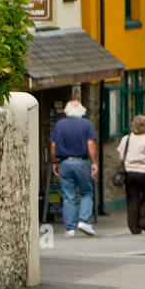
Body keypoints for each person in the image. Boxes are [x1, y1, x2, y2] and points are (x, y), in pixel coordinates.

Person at [50, 99, 99, 237]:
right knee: (86, 192)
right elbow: (90, 144)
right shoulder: (86, 124)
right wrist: (94, 161)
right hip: (82, 162)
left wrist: (55, 162)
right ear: (82, 111)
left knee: (68, 196)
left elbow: (53, 145)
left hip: (64, 162)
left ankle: (70, 228)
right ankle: (83, 220)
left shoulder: (59, 125)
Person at [116, 115, 145, 234]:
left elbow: (121, 155)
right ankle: (144, 222)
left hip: (129, 173)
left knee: (133, 199)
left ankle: (134, 227)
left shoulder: (126, 139)